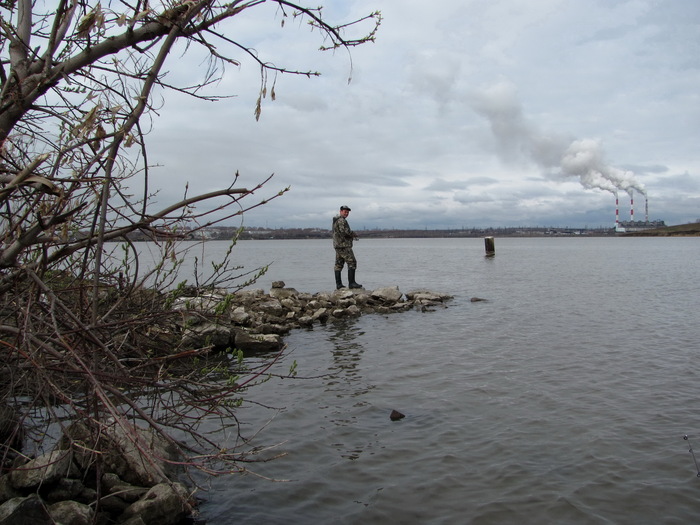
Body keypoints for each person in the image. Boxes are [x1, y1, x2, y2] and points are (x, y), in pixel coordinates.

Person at [332, 205, 362, 289]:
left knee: (338, 264)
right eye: (345, 212)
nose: (346, 213)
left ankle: (339, 285)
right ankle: (352, 283)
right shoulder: (341, 220)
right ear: (340, 211)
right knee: (352, 262)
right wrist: (353, 234)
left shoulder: (336, 220)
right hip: (344, 246)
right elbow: (344, 232)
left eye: (347, 212)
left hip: (337, 245)